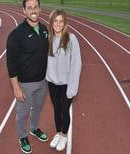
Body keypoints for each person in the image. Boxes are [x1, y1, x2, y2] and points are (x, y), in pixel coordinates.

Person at [6, 0, 49, 153]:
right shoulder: (16, 34)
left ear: (40, 9)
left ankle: (34, 128)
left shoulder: (44, 30)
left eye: (35, 7)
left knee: (37, 108)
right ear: (24, 11)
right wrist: (16, 87)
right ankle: (22, 136)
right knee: (23, 113)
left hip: (42, 81)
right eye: (29, 7)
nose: (33, 10)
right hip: (25, 83)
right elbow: (11, 64)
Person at [46, 9, 82, 152]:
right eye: (55, 21)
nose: (58, 24)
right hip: (52, 82)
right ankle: (58, 133)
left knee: (64, 110)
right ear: (51, 22)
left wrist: (72, 87)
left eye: (61, 21)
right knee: (56, 109)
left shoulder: (71, 39)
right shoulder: (48, 38)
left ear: (65, 23)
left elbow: (77, 64)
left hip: (67, 83)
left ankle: (64, 135)